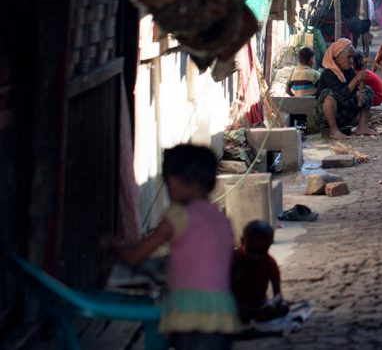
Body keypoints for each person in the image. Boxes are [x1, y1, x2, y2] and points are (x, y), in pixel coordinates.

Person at [101, 144, 241, 349]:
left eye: (167, 182)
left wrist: (112, 245)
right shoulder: (221, 220)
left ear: (176, 179)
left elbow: (133, 257)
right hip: (223, 314)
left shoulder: (177, 215)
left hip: (189, 316)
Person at [315, 38, 377, 139]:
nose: (352, 61)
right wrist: (355, 80)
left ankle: (361, 127)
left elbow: (351, 94)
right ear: (337, 56)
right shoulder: (328, 73)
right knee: (328, 94)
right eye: (348, 57)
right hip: (326, 118)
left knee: (367, 90)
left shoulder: (349, 72)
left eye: (352, 57)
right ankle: (333, 131)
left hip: (345, 115)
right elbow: (341, 95)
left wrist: (358, 95)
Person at [231, 221, 290, 324]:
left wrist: (271, 303)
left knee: (284, 307)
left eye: (262, 251)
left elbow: (278, 295)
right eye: (252, 250)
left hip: (259, 306)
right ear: (242, 241)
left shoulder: (269, 263)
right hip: (234, 305)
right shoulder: (232, 260)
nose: (256, 256)